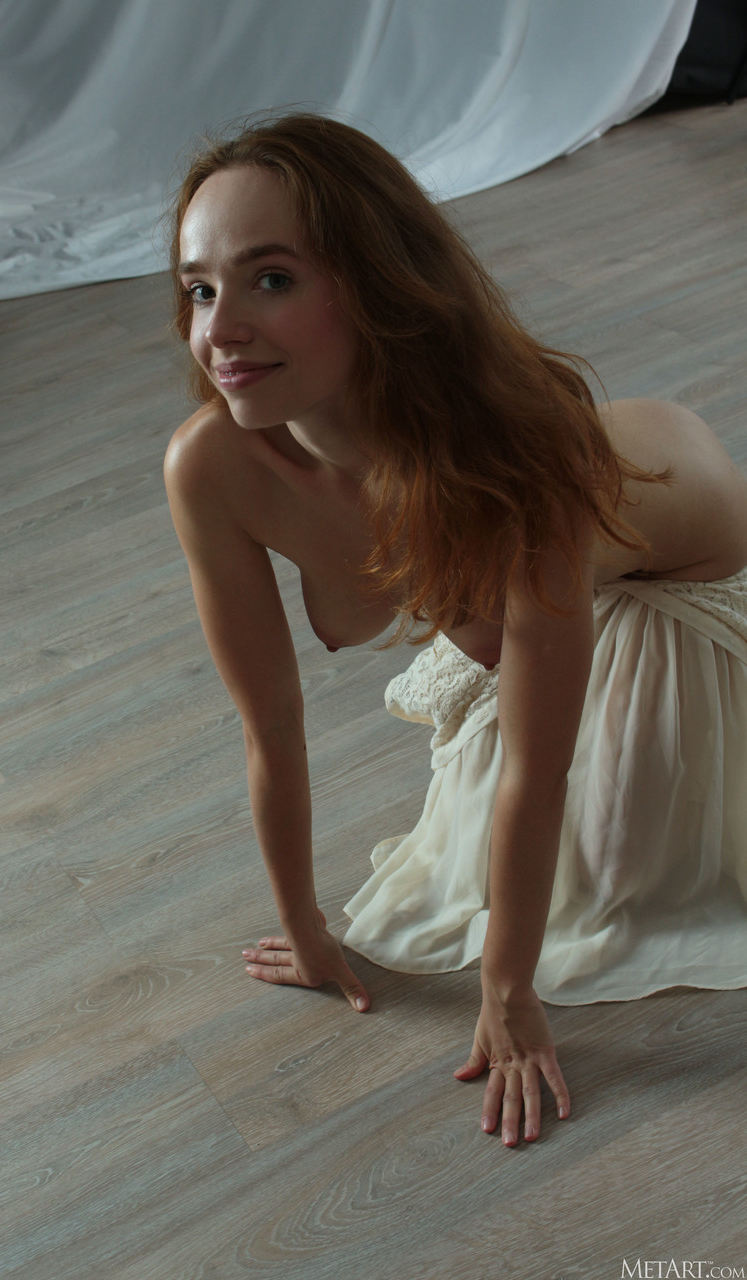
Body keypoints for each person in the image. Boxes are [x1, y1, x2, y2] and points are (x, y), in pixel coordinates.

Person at [163, 113, 747, 1147]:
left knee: (616, 877)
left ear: (376, 285)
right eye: (201, 289)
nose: (221, 329)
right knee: (501, 722)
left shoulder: (519, 478)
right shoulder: (211, 465)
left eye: (272, 279)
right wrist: (305, 926)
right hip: (557, 565)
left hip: (692, 566)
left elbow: (535, 768)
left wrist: (507, 994)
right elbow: (270, 723)